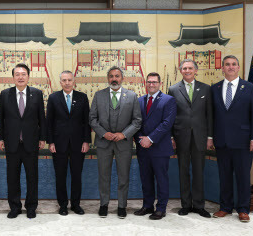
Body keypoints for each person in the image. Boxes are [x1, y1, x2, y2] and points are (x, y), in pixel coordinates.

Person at [211, 55, 253, 223]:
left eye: (233, 64)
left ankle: (243, 209)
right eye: (227, 65)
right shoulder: (215, 88)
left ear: (238, 68)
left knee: (243, 176)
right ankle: (225, 207)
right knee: (224, 176)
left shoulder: (249, 87)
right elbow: (212, 116)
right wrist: (211, 137)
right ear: (222, 68)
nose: (230, 67)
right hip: (222, 140)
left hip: (243, 141)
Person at [89, 66, 141, 219]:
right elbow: (92, 119)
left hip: (123, 143)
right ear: (108, 78)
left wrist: (123, 134)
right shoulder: (99, 95)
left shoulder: (132, 96)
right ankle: (103, 205)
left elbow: (137, 121)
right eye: (111, 76)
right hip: (103, 143)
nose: (114, 79)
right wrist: (104, 133)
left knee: (123, 176)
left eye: (117, 76)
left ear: (122, 78)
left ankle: (121, 206)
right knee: (103, 176)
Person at [0, 63, 47, 219]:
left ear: (28, 76)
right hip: (11, 143)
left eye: (23, 74)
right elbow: (1, 119)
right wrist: (0, 138)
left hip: (31, 143)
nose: (20, 77)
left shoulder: (37, 94)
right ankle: (15, 207)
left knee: (32, 177)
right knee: (12, 177)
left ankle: (31, 207)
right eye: (17, 74)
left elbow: (41, 119)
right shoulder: (5, 94)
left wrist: (42, 138)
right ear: (13, 77)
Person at [167, 59, 213, 218]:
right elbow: (170, 115)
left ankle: (199, 206)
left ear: (196, 71)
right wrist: (171, 136)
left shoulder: (206, 89)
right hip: (181, 136)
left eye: (190, 68)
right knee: (183, 171)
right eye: (184, 68)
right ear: (181, 71)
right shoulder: (173, 89)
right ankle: (186, 205)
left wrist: (210, 136)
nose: (187, 71)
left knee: (199, 171)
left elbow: (209, 115)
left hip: (200, 137)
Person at [47, 71, 91, 216]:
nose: (67, 83)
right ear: (60, 82)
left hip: (78, 144)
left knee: (76, 175)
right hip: (58, 144)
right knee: (60, 175)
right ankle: (63, 205)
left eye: (69, 80)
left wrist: (86, 141)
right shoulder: (53, 98)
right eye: (64, 80)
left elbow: (86, 122)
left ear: (74, 81)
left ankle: (76, 204)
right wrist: (51, 142)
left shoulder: (82, 98)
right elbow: (49, 122)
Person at [134, 72, 176, 220]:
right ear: (145, 83)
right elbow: (135, 122)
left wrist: (150, 139)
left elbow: (167, 123)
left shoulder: (168, 100)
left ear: (160, 84)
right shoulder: (139, 101)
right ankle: (147, 206)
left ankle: (161, 208)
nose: (151, 84)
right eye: (149, 82)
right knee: (145, 179)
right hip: (142, 147)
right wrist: (140, 139)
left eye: (154, 82)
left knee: (161, 179)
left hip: (159, 147)